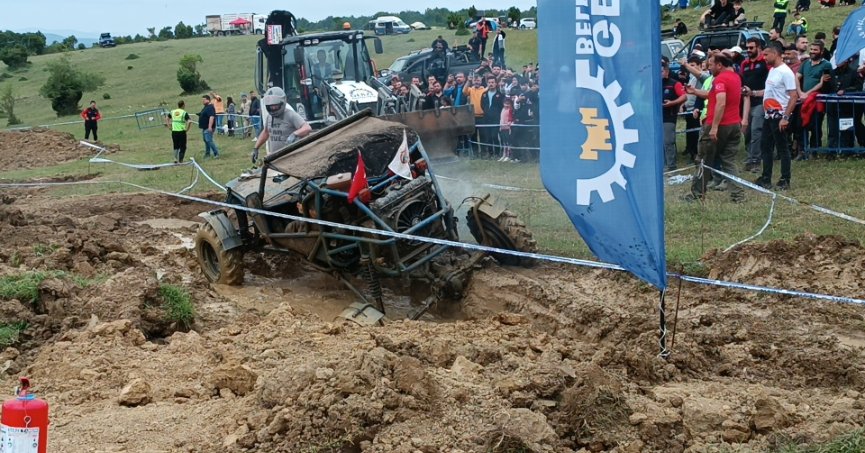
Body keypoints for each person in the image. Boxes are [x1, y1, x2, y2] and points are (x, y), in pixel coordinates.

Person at [686, 52, 744, 202]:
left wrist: (714, 127)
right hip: (734, 125)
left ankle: (697, 194)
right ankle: (738, 194)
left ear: (719, 65)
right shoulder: (735, 77)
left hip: (717, 125)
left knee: (703, 159)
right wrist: (695, 91)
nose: (708, 68)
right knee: (728, 160)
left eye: (711, 65)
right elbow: (712, 94)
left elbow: (721, 102)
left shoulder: (720, 79)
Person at [754, 42, 798, 190]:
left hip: (780, 115)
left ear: (776, 54)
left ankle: (785, 178)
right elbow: (768, 91)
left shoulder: (786, 72)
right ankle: (766, 176)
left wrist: (786, 117)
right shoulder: (772, 70)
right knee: (765, 146)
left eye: (766, 54)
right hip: (769, 114)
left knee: (782, 147)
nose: (763, 57)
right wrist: (752, 93)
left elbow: (793, 96)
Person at [252, 86, 312, 163]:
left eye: (275, 106)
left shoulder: (290, 115)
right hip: (275, 159)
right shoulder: (269, 117)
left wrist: (294, 134)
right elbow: (266, 132)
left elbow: (307, 128)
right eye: (270, 107)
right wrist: (256, 148)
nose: (273, 108)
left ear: (282, 103)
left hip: (291, 158)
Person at [797, 40, 833, 154]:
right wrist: (800, 92)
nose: (812, 52)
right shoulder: (805, 63)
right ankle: (803, 149)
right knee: (802, 124)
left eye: (815, 50)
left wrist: (807, 93)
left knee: (816, 125)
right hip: (803, 98)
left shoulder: (826, 65)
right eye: (811, 49)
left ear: (821, 51)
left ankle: (814, 149)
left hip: (817, 100)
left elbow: (822, 83)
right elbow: (797, 77)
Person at [740, 37, 770, 173]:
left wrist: (758, 93)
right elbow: (741, 80)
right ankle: (750, 155)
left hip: (761, 99)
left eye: (751, 48)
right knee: (747, 131)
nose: (748, 50)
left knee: (756, 129)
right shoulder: (744, 64)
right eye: (747, 48)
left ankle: (755, 160)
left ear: (758, 48)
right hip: (746, 100)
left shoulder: (764, 62)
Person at [662, 60, 687, 171]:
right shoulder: (654, 84)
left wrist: (672, 103)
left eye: (661, 71)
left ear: (666, 72)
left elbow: (684, 97)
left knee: (668, 141)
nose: (659, 73)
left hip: (669, 116)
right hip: (656, 117)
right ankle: (662, 164)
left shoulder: (674, 83)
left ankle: (671, 165)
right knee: (659, 142)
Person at [498, 97, 515, 162]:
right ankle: (504, 155)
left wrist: (510, 125)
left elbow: (511, 119)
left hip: (508, 128)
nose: (506, 105)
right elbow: (501, 118)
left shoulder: (510, 110)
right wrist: (500, 126)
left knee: (508, 143)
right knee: (504, 142)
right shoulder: (502, 109)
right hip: (502, 128)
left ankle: (508, 156)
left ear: (510, 104)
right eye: (505, 103)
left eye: (508, 104)